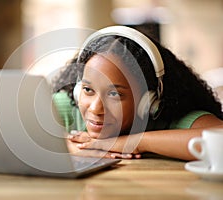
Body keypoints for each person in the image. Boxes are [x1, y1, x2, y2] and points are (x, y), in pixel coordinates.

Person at [52, 26, 223, 161]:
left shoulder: (170, 118)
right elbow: (24, 136)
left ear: (148, 101)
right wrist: (66, 147)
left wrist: (136, 142)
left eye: (114, 94)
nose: (96, 109)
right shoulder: (66, 106)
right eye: (88, 90)